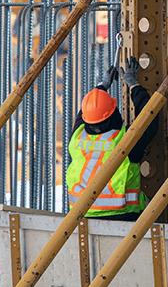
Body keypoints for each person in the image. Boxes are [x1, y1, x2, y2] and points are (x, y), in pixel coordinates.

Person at [64, 60, 158, 220]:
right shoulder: (124, 143)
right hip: (122, 216)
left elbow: (88, 111)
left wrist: (101, 87)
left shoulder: (77, 137)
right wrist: (134, 85)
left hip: (81, 217)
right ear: (113, 115)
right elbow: (149, 118)